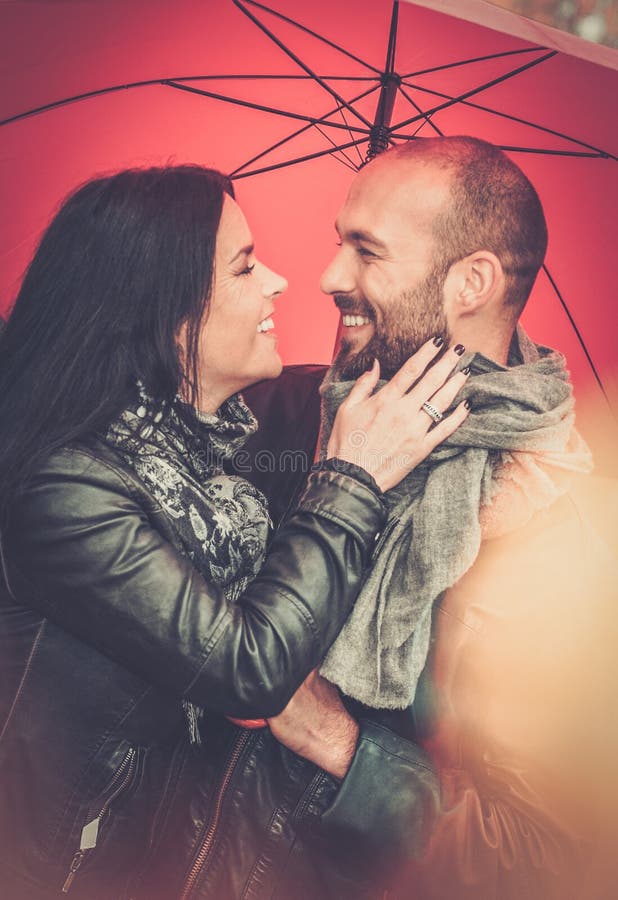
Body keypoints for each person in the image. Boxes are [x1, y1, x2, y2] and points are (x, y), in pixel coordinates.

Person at [0, 164, 472, 900]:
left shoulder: (209, 452)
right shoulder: (64, 487)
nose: (282, 282)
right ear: (164, 308)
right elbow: (247, 670)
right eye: (246, 265)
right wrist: (353, 476)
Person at [243, 136, 617, 900]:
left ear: (471, 281)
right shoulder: (284, 405)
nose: (328, 277)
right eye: (337, 244)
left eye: (367, 252)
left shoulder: (559, 543)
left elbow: (544, 861)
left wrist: (334, 738)